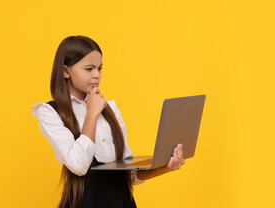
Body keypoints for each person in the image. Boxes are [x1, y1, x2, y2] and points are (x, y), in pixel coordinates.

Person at [31, 35, 185, 208]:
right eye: (89, 69)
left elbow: (131, 175)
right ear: (66, 71)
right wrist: (92, 112)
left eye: (99, 68)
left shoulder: (110, 108)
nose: (96, 75)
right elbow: (79, 165)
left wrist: (164, 167)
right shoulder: (49, 112)